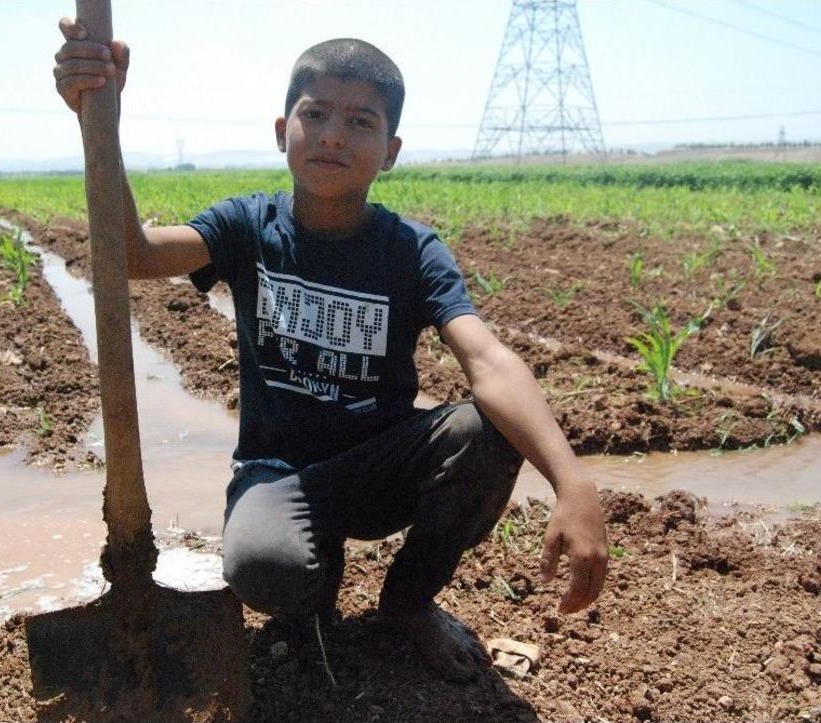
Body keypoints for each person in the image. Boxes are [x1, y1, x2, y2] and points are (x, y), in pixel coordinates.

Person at [53, 20, 608, 683]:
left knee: (488, 431)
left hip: (380, 467)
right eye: (314, 114)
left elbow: (488, 359)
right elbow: (134, 253)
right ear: (281, 129)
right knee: (267, 569)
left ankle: (407, 605)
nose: (334, 134)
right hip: (278, 473)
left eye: (360, 121)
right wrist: (101, 117)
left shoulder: (411, 251)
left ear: (391, 149)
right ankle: (311, 588)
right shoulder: (248, 227)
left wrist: (571, 480)